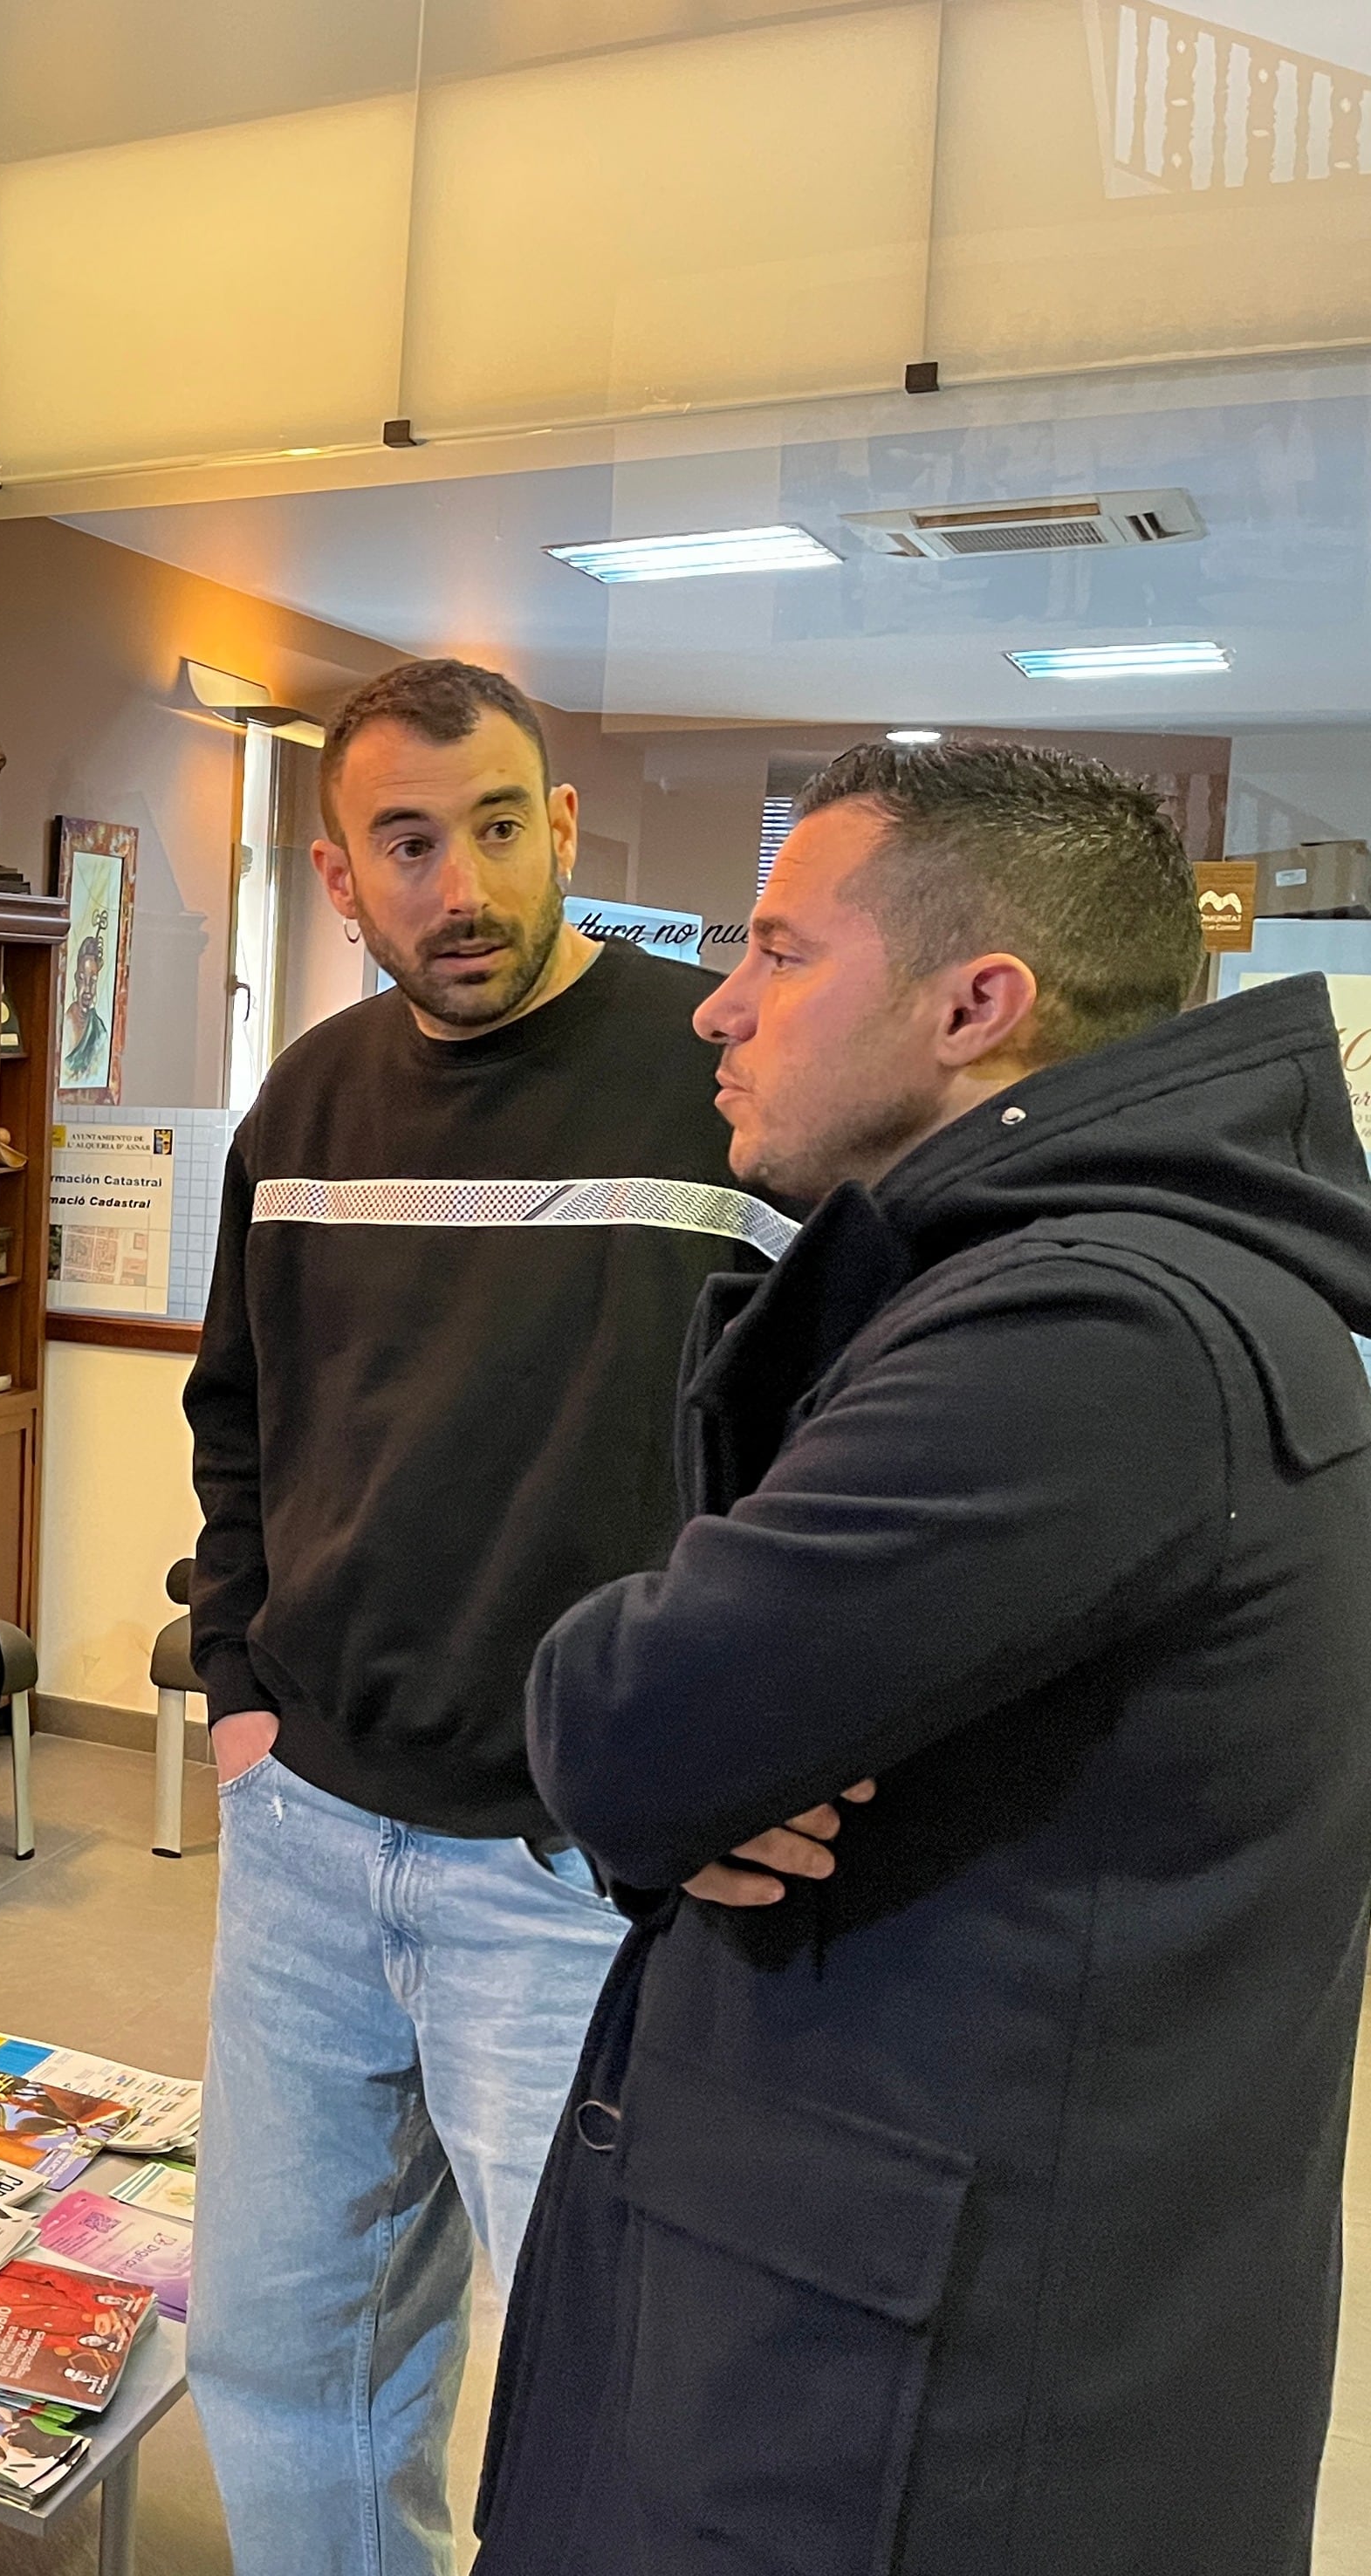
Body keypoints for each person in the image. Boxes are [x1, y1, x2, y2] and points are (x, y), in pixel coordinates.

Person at [479, 743, 1371, 2573]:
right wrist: (715, 1744)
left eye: (785, 952)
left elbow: (625, 1718)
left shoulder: (1092, 1329)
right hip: (908, 2300)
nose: (719, 1005)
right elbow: (705, 1727)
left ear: (978, 1006)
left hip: (917, 2414)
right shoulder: (1055, 1280)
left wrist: (676, 1742)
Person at [179, 658, 791, 2571]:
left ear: (565, 834)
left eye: (502, 829)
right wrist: (235, 1688)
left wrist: (771, 1737)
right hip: (309, 1839)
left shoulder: (713, 1091)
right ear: (340, 873)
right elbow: (239, 1417)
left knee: (618, 2406)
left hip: (573, 1876)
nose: (467, 886)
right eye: (413, 844)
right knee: (281, 2363)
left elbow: (839, 1445)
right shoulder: (305, 1104)